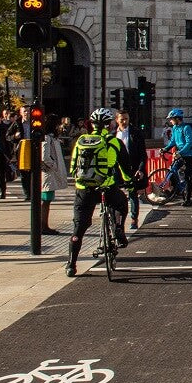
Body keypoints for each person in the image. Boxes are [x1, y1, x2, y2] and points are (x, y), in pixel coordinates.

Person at [65, 107, 133, 277]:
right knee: (121, 203)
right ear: (110, 124)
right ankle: (118, 228)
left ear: (92, 124)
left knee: (79, 228)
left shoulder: (82, 140)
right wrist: (130, 183)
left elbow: (73, 166)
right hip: (106, 186)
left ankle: (71, 264)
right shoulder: (114, 142)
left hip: (84, 189)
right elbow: (125, 168)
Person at [113, 110, 148, 229]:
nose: (124, 121)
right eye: (122, 119)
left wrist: (141, 169)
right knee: (115, 194)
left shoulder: (135, 132)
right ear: (117, 120)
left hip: (131, 167)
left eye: (126, 119)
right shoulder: (113, 134)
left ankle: (134, 219)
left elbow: (143, 153)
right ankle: (117, 220)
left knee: (133, 194)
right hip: (117, 169)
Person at [160, 107, 192, 206]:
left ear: (177, 118)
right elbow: (173, 141)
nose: (170, 121)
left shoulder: (186, 128)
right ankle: (175, 189)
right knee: (172, 170)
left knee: (187, 176)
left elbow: (189, 143)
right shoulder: (175, 128)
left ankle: (188, 199)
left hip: (189, 155)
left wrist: (180, 152)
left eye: (171, 119)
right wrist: (165, 149)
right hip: (180, 154)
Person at [39, 118, 71, 234]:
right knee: (45, 200)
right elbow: (44, 156)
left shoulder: (53, 138)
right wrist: (54, 166)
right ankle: (43, 226)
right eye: (58, 125)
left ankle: (44, 225)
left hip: (50, 173)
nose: (60, 128)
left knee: (47, 200)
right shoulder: (47, 138)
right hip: (48, 174)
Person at [6, 106, 34, 201]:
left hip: (33, 149)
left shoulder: (35, 123)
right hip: (21, 150)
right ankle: (27, 194)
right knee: (24, 173)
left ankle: (34, 193)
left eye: (28, 111)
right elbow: (7, 136)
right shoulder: (16, 123)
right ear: (21, 113)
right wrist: (15, 136)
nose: (27, 113)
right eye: (25, 111)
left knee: (34, 173)